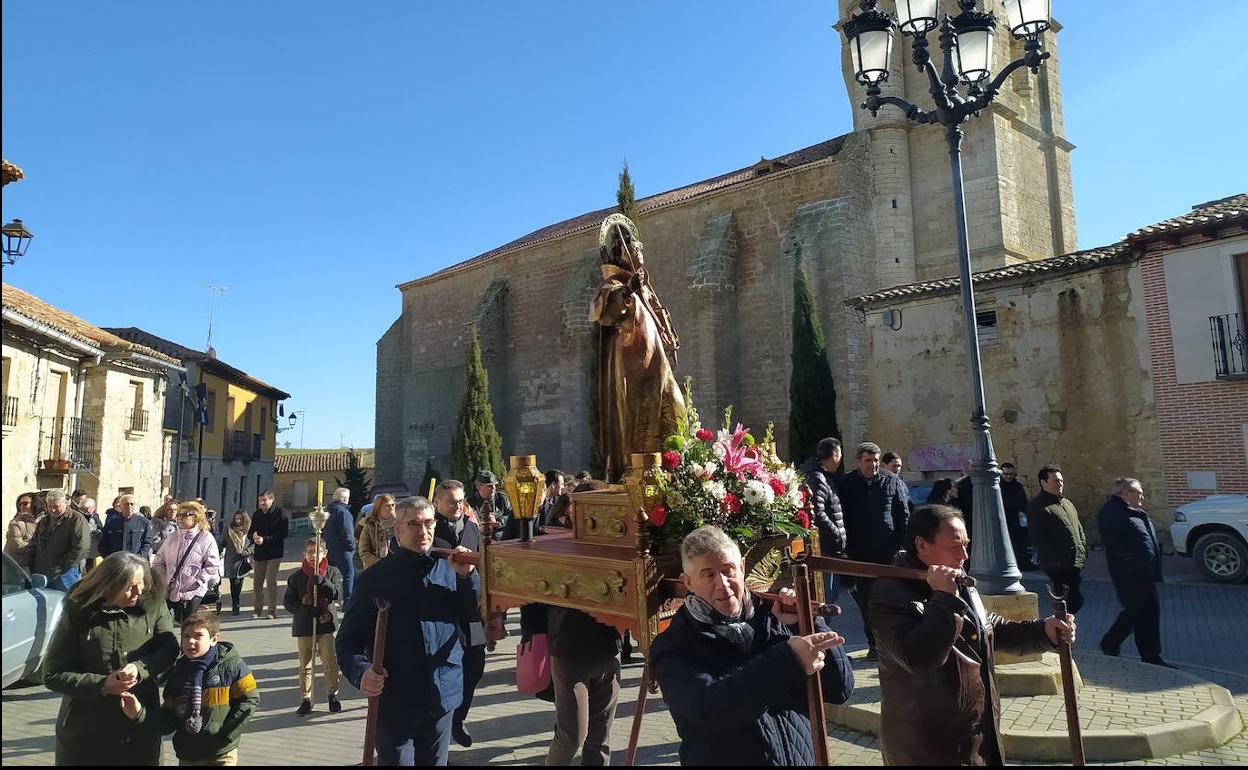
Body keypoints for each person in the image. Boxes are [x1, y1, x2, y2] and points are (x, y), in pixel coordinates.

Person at [868, 504, 1075, 765]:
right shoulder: (890, 592)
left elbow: (986, 628)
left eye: (966, 545)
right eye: (955, 547)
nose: (964, 555)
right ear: (921, 545)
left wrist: (1043, 632)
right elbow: (919, 658)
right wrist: (944, 598)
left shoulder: (956, 577)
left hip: (976, 738)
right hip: (926, 748)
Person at [650, 525, 854, 766]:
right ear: (688, 582)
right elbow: (711, 709)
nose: (723, 584)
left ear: (743, 568)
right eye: (708, 575)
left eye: (728, 571)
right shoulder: (674, 645)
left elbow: (839, 688)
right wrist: (789, 659)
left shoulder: (772, 617)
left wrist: (806, 623)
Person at [336, 497, 477, 766]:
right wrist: (361, 671)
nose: (423, 532)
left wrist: (466, 578)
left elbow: (474, 617)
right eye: (413, 524)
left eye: (428, 523)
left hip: (442, 695)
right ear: (397, 530)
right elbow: (347, 641)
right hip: (395, 701)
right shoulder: (374, 579)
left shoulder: (453, 567)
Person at [43, 551, 179, 765]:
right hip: (85, 733)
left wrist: (140, 668)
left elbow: (169, 648)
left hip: (138, 726)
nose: (139, 591)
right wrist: (103, 685)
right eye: (130, 586)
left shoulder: (152, 604)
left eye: (142, 583)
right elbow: (52, 674)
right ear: (109, 585)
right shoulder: (79, 611)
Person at [589, 213, 687, 481]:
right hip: (633, 367)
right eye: (633, 247)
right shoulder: (614, 284)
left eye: (640, 246)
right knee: (641, 422)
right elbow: (604, 310)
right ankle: (641, 475)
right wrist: (627, 291)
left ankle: (677, 470)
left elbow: (659, 316)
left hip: (657, 362)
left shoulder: (645, 286)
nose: (638, 250)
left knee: (677, 410)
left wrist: (669, 339)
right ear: (620, 253)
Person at [119, 609, 259, 765]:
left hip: (222, 751)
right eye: (186, 636)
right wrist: (139, 712)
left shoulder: (231, 665)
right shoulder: (178, 673)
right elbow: (169, 720)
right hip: (189, 753)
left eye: (198, 636)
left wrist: (227, 734)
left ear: (214, 639)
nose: (190, 641)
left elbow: (250, 700)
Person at [836, 441, 910, 659]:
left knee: (892, 598)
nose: (874, 465)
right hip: (861, 553)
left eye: (876, 460)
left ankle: (893, 643)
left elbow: (902, 515)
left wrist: (901, 546)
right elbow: (843, 517)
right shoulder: (847, 484)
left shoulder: (891, 481)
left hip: (888, 552)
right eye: (868, 460)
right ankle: (874, 645)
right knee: (867, 601)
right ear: (859, 462)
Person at [432, 480, 486, 748]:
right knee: (446, 671)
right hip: (444, 613)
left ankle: (459, 718)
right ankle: (445, 723)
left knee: (475, 667)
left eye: (460, 501)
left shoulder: (473, 528)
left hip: (473, 613)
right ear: (437, 503)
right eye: (451, 502)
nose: (457, 506)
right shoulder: (430, 532)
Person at [1098, 478, 1172, 667]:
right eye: (1139, 493)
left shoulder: (1133, 511)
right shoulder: (1112, 512)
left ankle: (1151, 655)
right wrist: (1131, 563)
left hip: (1146, 573)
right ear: (1125, 494)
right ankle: (1110, 642)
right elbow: (1114, 543)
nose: (1142, 497)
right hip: (1130, 574)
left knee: (1149, 613)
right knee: (1135, 611)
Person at [285, 536, 344, 715]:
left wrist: (323, 582)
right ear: (304, 554)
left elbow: (337, 594)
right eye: (309, 552)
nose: (312, 556)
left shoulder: (332, 572)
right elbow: (288, 602)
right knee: (306, 665)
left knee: (329, 661)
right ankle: (306, 699)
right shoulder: (296, 577)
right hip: (305, 626)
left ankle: (332, 695)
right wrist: (303, 609)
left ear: (324, 553)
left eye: (316, 552)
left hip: (325, 625)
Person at [1027, 465, 1087, 614]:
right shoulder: (1038, 507)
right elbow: (1038, 538)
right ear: (1043, 482)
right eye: (1055, 481)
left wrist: (1083, 550)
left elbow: (1078, 529)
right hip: (1058, 566)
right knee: (1071, 603)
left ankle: (1065, 631)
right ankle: (1060, 632)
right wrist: (1058, 560)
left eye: (1061, 481)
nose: (1059, 484)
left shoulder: (1067, 504)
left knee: (1074, 602)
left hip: (1074, 563)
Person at [154, 501, 223, 623]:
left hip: (194, 591)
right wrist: (164, 579)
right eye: (179, 515)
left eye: (185, 514)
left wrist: (198, 581)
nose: (180, 518)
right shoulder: (172, 537)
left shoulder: (205, 538)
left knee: (188, 625)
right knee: (164, 624)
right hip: (171, 590)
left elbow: (212, 565)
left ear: (197, 517)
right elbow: (159, 561)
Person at [799, 437, 847, 604]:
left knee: (829, 596)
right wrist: (836, 534)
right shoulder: (818, 478)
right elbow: (817, 513)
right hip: (826, 547)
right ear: (835, 455)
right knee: (826, 598)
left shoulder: (822, 476)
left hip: (827, 546)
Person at [29, 489, 91, 591]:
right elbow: (35, 543)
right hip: (43, 572)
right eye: (50, 507)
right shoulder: (44, 521)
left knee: (65, 602)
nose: (53, 510)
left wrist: (63, 567)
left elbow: (81, 547)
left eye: (57, 507)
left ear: (66, 504)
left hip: (65, 573)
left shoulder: (76, 519)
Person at [248, 490, 289, 619]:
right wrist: (253, 537)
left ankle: (271, 610)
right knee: (257, 583)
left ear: (272, 499)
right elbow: (251, 531)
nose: (262, 503)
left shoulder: (281, 513)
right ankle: (257, 610)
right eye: (260, 501)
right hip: (260, 553)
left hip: (274, 552)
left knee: (270, 581)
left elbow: (283, 534)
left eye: (265, 500)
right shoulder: (257, 514)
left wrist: (265, 539)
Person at [324, 487, 357, 604]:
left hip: (329, 549)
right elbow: (347, 533)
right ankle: (348, 602)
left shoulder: (327, 512)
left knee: (331, 575)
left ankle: (329, 600)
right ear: (344, 499)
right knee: (349, 574)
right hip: (343, 550)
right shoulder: (344, 513)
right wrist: (352, 547)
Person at [99, 494, 155, 560]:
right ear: (120, 506)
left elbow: (147, 543)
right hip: (117, 563)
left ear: (134, 506)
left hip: (137, 563)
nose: (129, 506)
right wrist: (111, 559)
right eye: (126, 504)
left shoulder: (144, 523)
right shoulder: (111, 524)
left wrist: (139, 558)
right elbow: (102, 545)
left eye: (132, 504)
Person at [219, 511, 254, 616]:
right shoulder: (229, 530)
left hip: (243, 561)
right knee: (233, 583)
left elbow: (253, 544)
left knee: (239, 584)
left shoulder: (249, 530)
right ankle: (236, 605)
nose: (237, 521)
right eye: (236, 518)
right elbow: (222, 542)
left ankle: (236, 602)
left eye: (240, 519)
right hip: (232, 561)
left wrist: (247, 551)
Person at [467, 470, 517, 540]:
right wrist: (485, 523)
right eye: (489, 486)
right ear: (478, 487)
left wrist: (499, 521)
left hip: (502, 537)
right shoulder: (469, 503)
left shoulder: (502, 499)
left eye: (494, 485)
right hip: (481, 539)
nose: (494, 488)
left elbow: (513, 516)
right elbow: (468, 525)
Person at [1000, 463, 1033, 570]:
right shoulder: (998, 487)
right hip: (1003, 520)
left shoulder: (1017, 486)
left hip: (1017, 520)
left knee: (1021, 543)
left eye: (1011, 474)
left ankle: (1023, 564)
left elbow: (1024, 503)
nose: (1008, 477)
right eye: (1005, 474)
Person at [359, 493, 397, 568]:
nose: (391, 508)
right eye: (387, 506)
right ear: (378, 508)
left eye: (393, 505)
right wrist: (380, 563)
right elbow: (364, 552)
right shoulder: (370, 524)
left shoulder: (401, 524)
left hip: (397, 567)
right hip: (376, 568)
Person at [6, 491, 44, 563]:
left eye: (25, 503)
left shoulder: (45, 520)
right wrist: (39, 547)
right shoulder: (15, 523)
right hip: (19, 563)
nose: (21, 506)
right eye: (19, 504)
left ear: (34, 504)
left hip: (39, 562)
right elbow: (17, 545)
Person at [79, 496, 105, 572]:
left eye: (89, 508)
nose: (87, 511)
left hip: (93, 548)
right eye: (84, 509)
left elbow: (100, 528)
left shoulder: (96, 516)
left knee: (92, 569)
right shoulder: (79, 517)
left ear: (93, 508)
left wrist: (98, 531)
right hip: (82, 549)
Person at [536, 469, 565, 533]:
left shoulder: (557, 501)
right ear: (553, 485)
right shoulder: (538, 502)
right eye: (562, 484)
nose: (563, 487)